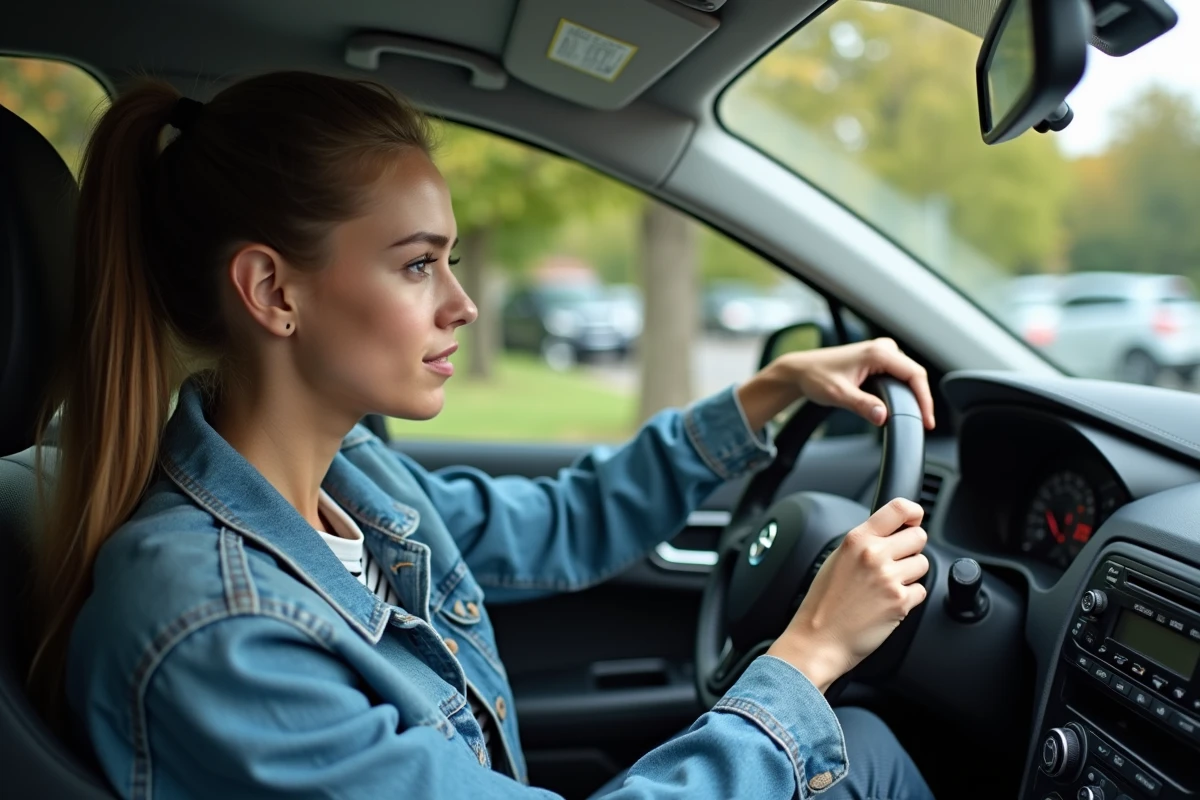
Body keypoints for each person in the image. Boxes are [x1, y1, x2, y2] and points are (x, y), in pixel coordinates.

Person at [27, 71, 938, 800]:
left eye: (450, 261)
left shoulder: (354, 481)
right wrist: (807, 654)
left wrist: (768, 391)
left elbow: (567, 520)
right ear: (273, 291)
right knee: (866, 759)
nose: (461, 305)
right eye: (418, 264)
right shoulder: (215, 630)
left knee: (861, 748)